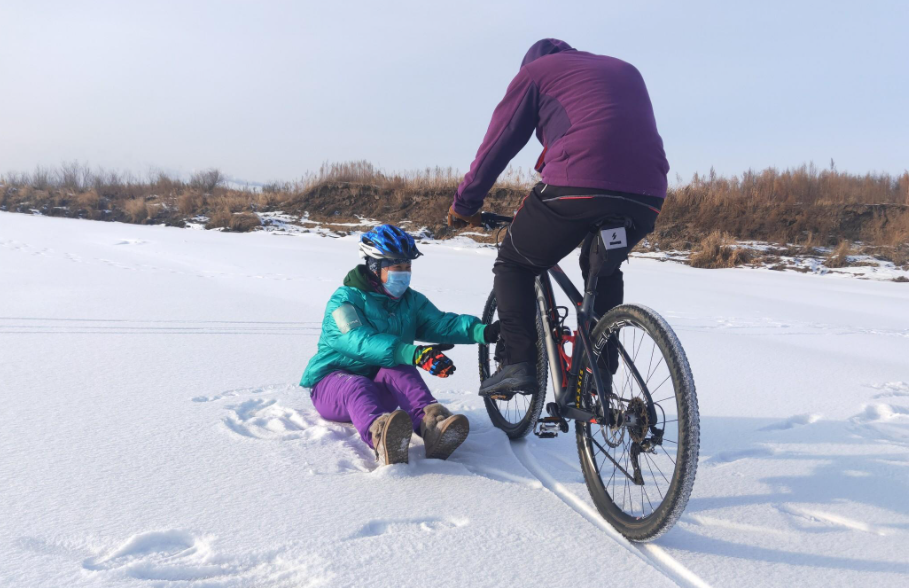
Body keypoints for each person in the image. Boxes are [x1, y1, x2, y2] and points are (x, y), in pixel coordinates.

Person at [448, 38, 669, 398]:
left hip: (577, 185)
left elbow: (498, 144)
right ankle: (599, 373)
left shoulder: (535, 73)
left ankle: (518, 363)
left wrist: (464, 204)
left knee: (514, 264)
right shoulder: (626, 70)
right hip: (646, 196)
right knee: (602, 268)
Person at [300, 224, 500, 465]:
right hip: (331, 385)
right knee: (358, 384)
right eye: (397, 267)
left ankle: (432, 426)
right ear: (375, 267)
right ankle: (381, 435)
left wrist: (484, 331)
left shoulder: (410, 300)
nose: (404, 273)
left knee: (400, 368)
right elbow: (355, 340)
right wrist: (412, 352)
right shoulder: (344, 300)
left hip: (380, 389)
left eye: (407, 267)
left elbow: (440, 323)